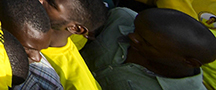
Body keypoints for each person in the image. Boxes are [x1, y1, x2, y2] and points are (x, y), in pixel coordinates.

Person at [81, 8, 216, 90]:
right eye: (135, 29)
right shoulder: (120, 18)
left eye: (145, 42)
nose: (132, 36)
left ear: (189, 62)